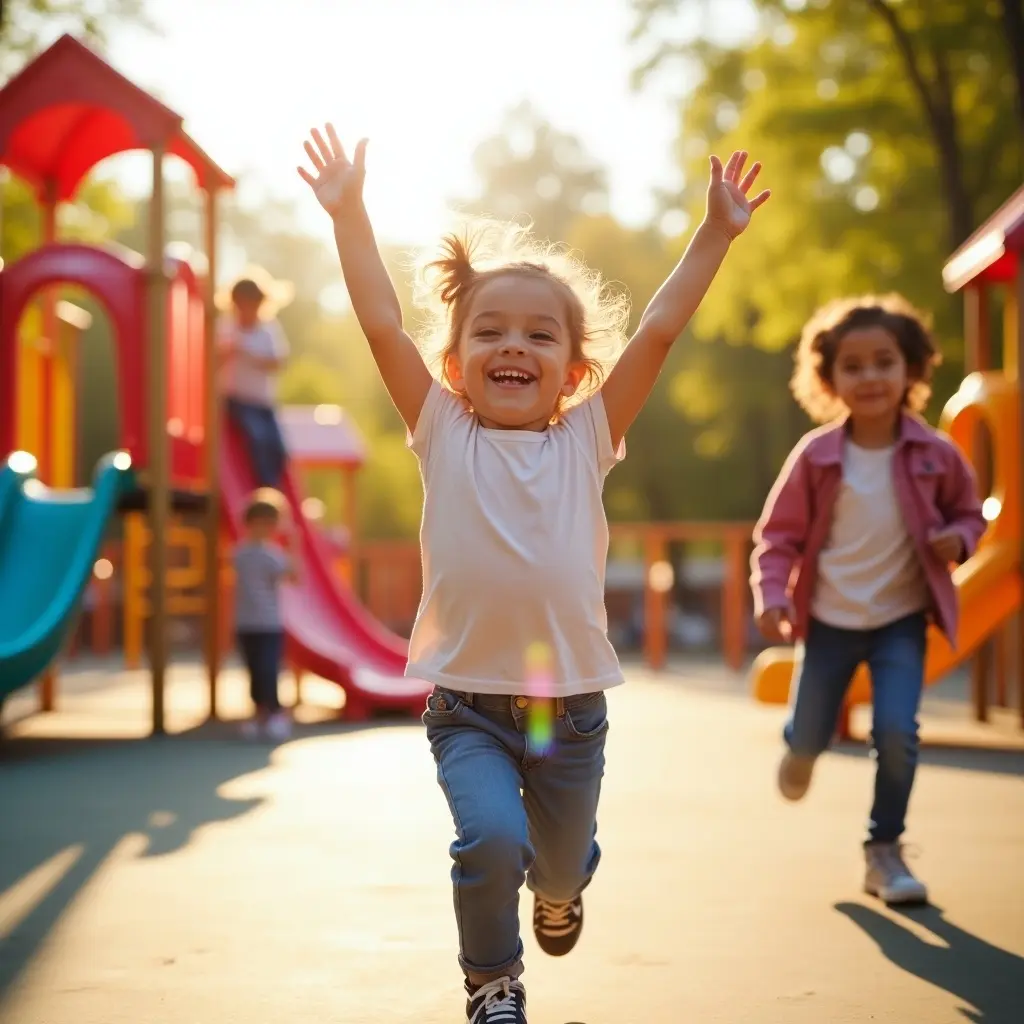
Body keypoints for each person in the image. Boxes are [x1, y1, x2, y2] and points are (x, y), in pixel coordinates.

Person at [297, 122, 769, 1024]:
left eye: (540, 336)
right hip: (467, 704)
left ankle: (563, 888)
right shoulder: (443, 430)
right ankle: (494, 983)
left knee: (554, 861)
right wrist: (350, 214)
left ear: (574, 372)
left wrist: (714, 233)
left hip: (567, 709)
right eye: (491, 332)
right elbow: (378, 320)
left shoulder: (588, 438)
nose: (514, 347)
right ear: (456, 364)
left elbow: (662, 331)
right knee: (488, 842)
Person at [750, 294, 986, 906]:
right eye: (853, 366)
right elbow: (777, 538)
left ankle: (884, 850)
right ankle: (799, 748)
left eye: (885, 361)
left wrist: (955, 539)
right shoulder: (816, 456)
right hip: (827, 622)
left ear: (911, 369)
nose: (871, 376)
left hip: (900, 623)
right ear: (830, 380)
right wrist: (772, 594)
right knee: (810, 735)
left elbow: (971, 514)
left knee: (897, 731)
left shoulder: (935, 453)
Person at [233, 488, 299, 742]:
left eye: (268, 524)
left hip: (269, 624)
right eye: (258, 523)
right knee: (252, 671)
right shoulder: (239, 554)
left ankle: (275, 713)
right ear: (249, 524)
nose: (263, 529)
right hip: (245, 623)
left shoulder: (273, 555)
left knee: (267, 670)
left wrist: (294, 546)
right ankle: (259, 714)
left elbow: (294, 577)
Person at [218, 277, 290, 487]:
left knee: (277, 446)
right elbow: (213, 360)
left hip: (264, 403)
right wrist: (226, 353)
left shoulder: (268, 329)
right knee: (257, 438)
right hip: (237, 400)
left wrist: (246, 352)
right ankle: (262, 485)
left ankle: (273, 487)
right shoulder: (226, 327)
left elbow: (278, 362)